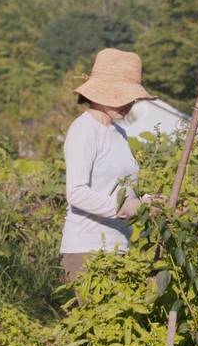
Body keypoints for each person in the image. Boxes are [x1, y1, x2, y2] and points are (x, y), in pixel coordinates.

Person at [60, 48, 156, 283]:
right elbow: (76, 193)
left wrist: (147, 203)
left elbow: (118, 188)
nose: (128, 104)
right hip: (88, 249)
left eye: (132, 98)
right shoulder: (84, 129)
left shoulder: (118, 132)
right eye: (121, 95)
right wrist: (128, 207)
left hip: (118, 247)